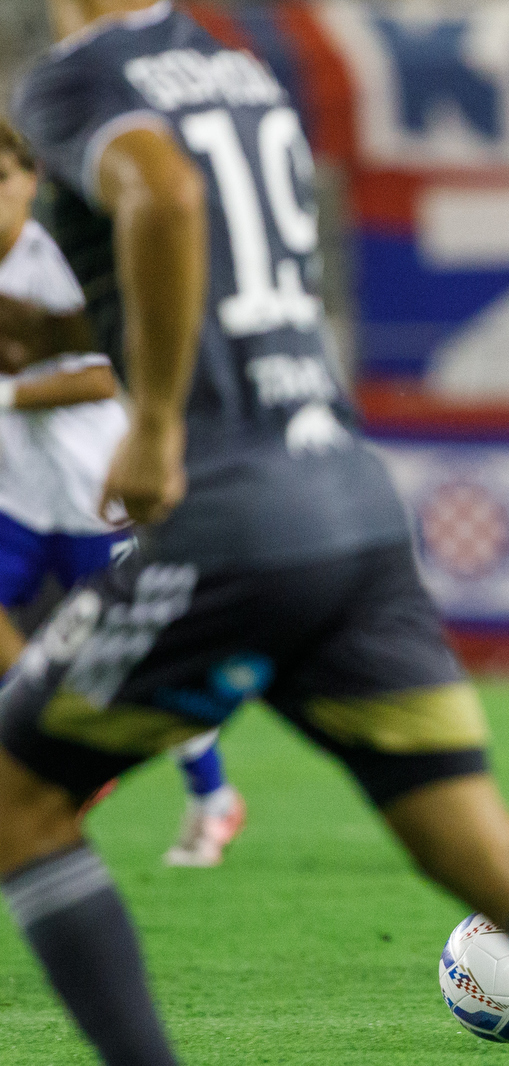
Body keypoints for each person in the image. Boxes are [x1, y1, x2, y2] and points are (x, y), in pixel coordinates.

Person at [0, 4, 509, 1065]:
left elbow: (170, 202)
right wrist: (63, 331)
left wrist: (150, 429)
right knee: (483, 849)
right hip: (349, 507)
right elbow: (235, 269)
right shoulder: (235, 71)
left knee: (19, 805)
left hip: (233, 521)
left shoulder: (73, 78)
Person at [0, 119, 245, 868]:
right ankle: (39, 746)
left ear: (30, 180)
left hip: (94, 496)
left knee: (142, 664)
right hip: (16, 501)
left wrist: (10, 396)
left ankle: (212, 795)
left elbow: (120, 367)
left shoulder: (64, 262)